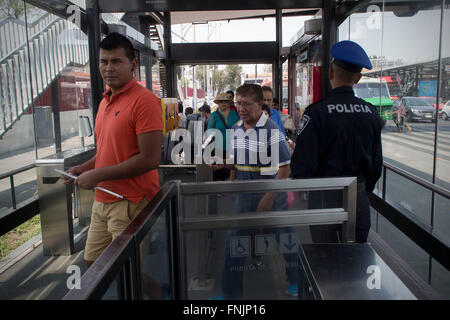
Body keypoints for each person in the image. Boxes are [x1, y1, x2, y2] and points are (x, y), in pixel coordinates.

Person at [62, 33, 163, 266]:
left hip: (130, 201)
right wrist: (85, 168)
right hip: (103, 199)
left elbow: (150, 159)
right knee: (94, 265)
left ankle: (157, 292)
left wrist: (97, 175)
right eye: (103, 61)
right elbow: (109, 150)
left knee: (127, 271)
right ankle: (157, 290)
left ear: (133, 65)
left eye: (116, 61)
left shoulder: (144, 101)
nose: (108, 68)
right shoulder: (105, 101)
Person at [290, 40, 384, 243]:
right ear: (358, 79)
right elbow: (376, 166)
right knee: (357, 260)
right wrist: (361, 191)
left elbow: (302, 167)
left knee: (325, 259)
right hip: (357, 197)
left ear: (331, 73)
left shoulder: (317, 113)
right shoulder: (371, 113)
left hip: (324, 197)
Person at [210, 84, 297, 299]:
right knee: (234, 243)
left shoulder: (271, 130)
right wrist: (223, 164)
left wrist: (269, 197)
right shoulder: (238, 128)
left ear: (260, 105)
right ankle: (230, 294)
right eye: (238, 103)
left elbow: (285, 167)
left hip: (271, 195)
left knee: (286, 239)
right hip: (245, 195)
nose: (240, 108)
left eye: (246, 104)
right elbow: (240, 162)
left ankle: (297, 280)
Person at [207, 92, 239, 181]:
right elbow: (209, 131)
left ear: (229, 103)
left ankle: (231, 191)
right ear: (218, 103)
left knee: (232, 171)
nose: (224, 103)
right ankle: (218, 192)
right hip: (218, 148)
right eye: (221, 102)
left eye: (226, 101)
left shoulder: (234, 114)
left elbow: (239, 128)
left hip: (232, 148)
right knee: (218, 173)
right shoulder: (214, 115)